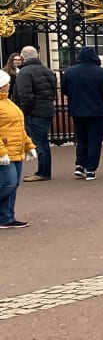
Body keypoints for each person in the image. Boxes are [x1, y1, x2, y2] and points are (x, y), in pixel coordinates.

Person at [61, 46, 103, 180]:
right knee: (95, 141)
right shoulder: (102, 72)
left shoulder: (69, 72)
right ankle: (91, 169)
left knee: (82, 139)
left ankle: (80, 164)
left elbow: (64, 90)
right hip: (97, 111)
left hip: (77, 110)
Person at [13, 46, 57, 182]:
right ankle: (44, 171)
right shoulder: (47, 69)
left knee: (40, 143)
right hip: (47, 109)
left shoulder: (24, 72)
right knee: (42, 141)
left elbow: (25, 96)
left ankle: (43, 172)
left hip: (35, 112)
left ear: (22, 57)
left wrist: (23, 112)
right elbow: (54, 90)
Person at [0, 69, 37, 229]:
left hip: (15, 149)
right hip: (5, 151)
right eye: (6, 83)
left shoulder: (8, 102)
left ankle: (6, 217)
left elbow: (19, 128)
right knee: (8, 183)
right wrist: (1, 152)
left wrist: (28, 145)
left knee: (13, 184)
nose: (9, 85)